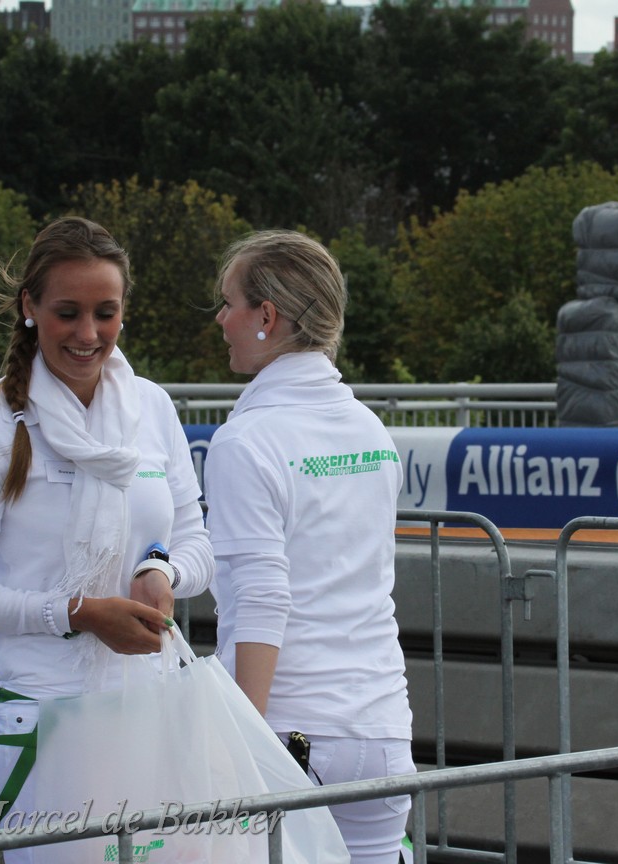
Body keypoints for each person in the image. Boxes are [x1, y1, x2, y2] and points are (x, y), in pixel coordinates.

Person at [0, 216, 213, 859]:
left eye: (105, 313)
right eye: (67, 313)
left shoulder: (152, 408)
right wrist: (78, 613)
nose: (88, 334)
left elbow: (198, 544)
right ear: (29, 307)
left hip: (150, 710)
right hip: (44, 719)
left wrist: (161, 568)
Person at [205, 229, 415, 864]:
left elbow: (262, 600)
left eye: (228, 303)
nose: (220, 320)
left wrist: (241, 745)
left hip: (288, 733)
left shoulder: (246, 442)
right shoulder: (371, 431)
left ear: (266, 316)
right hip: (382, 728)